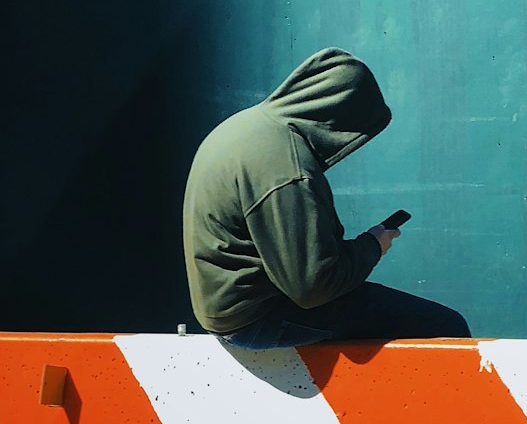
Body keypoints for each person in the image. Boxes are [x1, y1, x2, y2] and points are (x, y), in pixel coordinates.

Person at [182, 47, 469, 349]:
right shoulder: (287, 166)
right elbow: (313, 288)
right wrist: (373, 246)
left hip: (226, 309)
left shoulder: (246, 126)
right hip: (258, 318)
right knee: (445, 326)